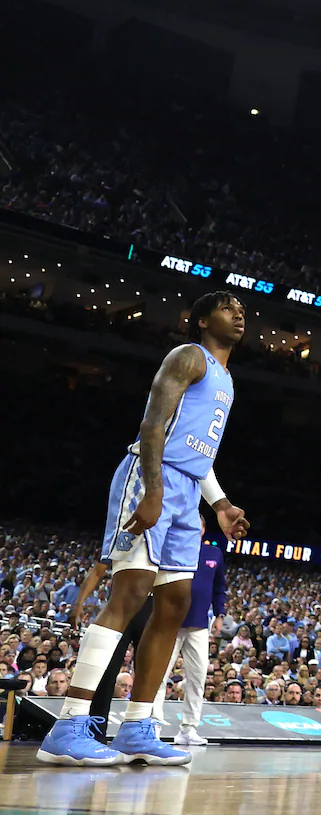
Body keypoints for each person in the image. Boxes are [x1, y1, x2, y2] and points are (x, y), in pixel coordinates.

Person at [38, 292, 251, 767]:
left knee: (174, 604)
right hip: (151, 477)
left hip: (187, 488)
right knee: (131, 593)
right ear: (200, 319)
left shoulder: (228, 381)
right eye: (226, 307)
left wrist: (219, 503)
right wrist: (153, 491)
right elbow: (153, 426)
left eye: (241, 309)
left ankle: (137, 727)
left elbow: (200, 452)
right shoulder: (188, 357)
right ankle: (69, 725)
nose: (238, 314)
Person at [155, 533, 226, 747]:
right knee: (159, 676)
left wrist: (220, 614)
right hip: (171, 624)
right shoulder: (173, 547)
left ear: (203, 529)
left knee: (197, 678)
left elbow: (219, 587)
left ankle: (188, 729)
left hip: (199, 626)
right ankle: (153, 727)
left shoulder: (214, 553)